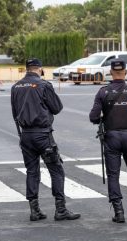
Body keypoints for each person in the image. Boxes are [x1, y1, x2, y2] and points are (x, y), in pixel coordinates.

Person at [11, 58, 80, 222]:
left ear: (26, 69)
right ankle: (60, 209)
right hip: (42, 134)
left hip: (26, 135)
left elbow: (15, 113)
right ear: (40, 69)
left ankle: (34, 210)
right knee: (56, 170)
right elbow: (57, 107)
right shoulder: (43, 85)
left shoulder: (16, 87)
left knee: (32, 171)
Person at [89, 58, 127, 223]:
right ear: (126, 72)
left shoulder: (103, 92)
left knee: (113, 175)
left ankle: (119, 212)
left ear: (110, 73)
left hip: (111, 137)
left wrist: (103, 117)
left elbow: (93, 117)